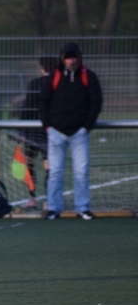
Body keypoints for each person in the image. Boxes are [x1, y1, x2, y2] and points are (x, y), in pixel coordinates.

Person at [39, 42, 103, 220]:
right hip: (56, 132)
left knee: (81, 172)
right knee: (55, 172)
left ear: (79, 58)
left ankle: (82, 208)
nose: (71, 60)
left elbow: (96, 102)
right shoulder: (55, 76)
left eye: (74, 57)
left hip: (79, 133)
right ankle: (53, 208)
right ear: (62, 59)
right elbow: (43, 101)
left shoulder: (88, 76)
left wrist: (86, 127)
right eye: (68, 57)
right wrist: (48, 126)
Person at [14, 57, 58, 210]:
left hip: (33, 130)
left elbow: (28, 107)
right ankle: (49, 200)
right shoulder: (58, 83)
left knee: (30, 163)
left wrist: (21, 130)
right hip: (50, 130)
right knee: (49, 166)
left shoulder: (35, 83)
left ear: (41, 68)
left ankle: (32, 198)